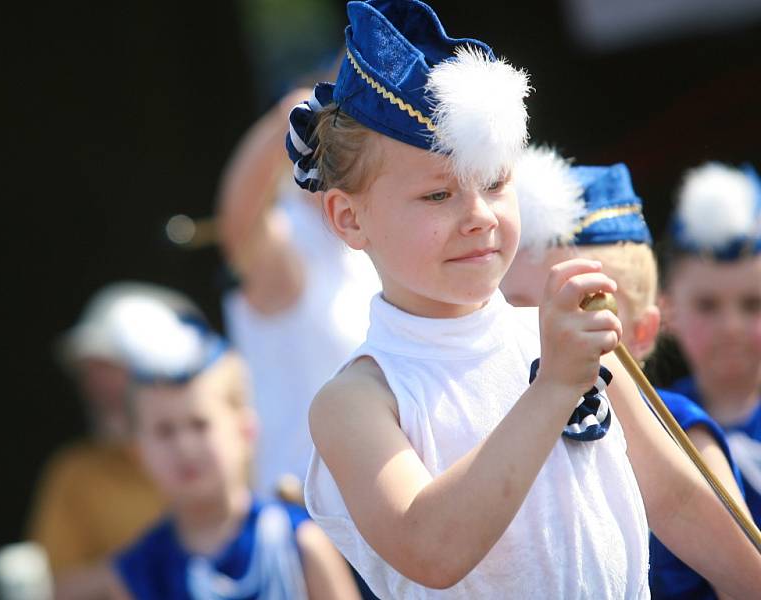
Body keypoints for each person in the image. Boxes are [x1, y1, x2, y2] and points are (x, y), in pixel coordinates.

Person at [290, 1, 761, 597]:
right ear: (349, 218)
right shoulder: (355, 402)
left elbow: (679, 501)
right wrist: (556, 389)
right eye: (438, 195)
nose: (478, 217)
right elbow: (431, 548)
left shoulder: (566, 334)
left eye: (494, 184)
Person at [499, 146, 751, 599]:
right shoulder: (493, 431)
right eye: (520, 309)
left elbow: (747, 576)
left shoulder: (680, 428)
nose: (552, 332)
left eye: (587, 307)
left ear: (643, 330)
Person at [104, 295, 360, 600]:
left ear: (245, 431)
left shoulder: (299, 542)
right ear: (138, 450)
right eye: (164, 431)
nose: (184, 446)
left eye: (200, 425)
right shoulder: (138, 572)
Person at [215, 78, 381, 500]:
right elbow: (238, 222)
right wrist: (287, 117)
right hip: (303, 513)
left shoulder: (378, 238)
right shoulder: (289, 236)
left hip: (383, 503)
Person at [25, 281, 203, 599]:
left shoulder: (233, 450)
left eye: (108, 366)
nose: (93, 383)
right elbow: (47, 590)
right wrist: (145, 564)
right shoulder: (74, 472)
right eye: (88, 369)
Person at [658, 162, 761, 529]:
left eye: (753, 304)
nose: (731, 327)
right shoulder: (656, 426)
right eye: (707, 305)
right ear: (665, 310)